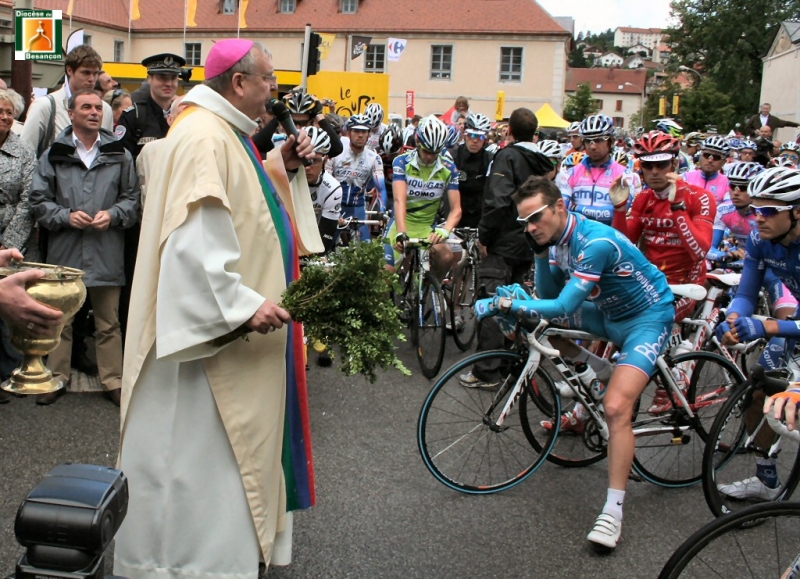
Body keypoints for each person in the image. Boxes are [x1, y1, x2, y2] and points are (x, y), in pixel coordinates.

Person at [113, 39, 319, 578]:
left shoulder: (224, 133)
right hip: (205, 349)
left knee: (221, 464)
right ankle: (185, 567)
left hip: (225, 343)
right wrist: (239, 306)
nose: (275, 89)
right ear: (239, 83)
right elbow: (193, 239)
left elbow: (249, 197)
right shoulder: (205, 136)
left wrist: (282, 167)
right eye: (269, 79)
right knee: (195, 463)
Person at [475, 175, 674, 550]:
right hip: (607, 314)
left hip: (646, 319)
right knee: (538, 323)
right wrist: (538, 253)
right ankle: (597, 369)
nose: (531, 228)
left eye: (536, 218)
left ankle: (613, 512)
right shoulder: (556, 241)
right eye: (525, 223)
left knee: (616, 409)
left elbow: (564, 306)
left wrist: (507, 304)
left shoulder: (593, 242)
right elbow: (550, 297)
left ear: (560, 206)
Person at [29, 90, 140, 407]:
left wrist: (114, 214)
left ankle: (113, 381)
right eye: (86, 107)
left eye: (98, 107)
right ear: (72, 113)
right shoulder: (54, 154)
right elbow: (38, 200)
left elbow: (132, 199)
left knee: (108, 322)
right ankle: (57, 377)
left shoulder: (119, 154)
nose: (94, 112)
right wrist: (64, 216)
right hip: (66, 251)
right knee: (60, 320)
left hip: (106, 248)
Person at [612, 131, 716, 414]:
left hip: (687, 285)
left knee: (644, 324)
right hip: (653, 283)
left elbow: (699, 251)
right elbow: (624, 245)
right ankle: (593, 405)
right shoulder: (644, 198)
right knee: (609, 326)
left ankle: (673, 378)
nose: (655, 171)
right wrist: (620, 209)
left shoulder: (701, 197)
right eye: (647, 165)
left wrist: (679, 206)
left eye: (662, 164)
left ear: (675, 164)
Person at [716, 166, 800, 500]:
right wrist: (735, 320)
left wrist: (766, 325)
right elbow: (748, 293)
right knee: (757, 395)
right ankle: (766, 482)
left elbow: (767, 322)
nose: (757, 218)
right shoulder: (758, 238)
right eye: (755, 209)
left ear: (796, 212)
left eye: (768, 211)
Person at [460, 107, 552, 388]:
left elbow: (498, 202)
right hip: (531, 241)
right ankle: (511, 365)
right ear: (534, 133)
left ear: (509, 131)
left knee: (493, 303)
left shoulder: (507, 156)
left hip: (504, 241)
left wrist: (485, 236)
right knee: (518, 304)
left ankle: (486, 371)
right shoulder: (544, 162)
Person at [386, 115, 461, 278]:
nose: (430, 157)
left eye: (435, 153)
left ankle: (432, 291)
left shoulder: (449, 168)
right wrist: (402, 232)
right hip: (401, 224)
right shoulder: (402, 162)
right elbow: (399, 200)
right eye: (427, 151)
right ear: (418, 142)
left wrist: (446, 230)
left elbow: (456, 209)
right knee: (385, 274)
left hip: (427, 227)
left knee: (446, 256)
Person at [0, 89, 39, 395]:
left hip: (13, 237)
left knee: (10, 308)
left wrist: (6, 244)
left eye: (9, 113)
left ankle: (10, 372)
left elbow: (28, 201)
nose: (4, 117)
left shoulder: (24, 151)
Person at [21, 45, 114, 156]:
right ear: (69, 70)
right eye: (86, 73)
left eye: (95, 74)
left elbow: (107, 154)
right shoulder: (45, 106)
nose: (92, 79)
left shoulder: (105, 109)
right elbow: (25, 155)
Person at [558, 114, 639, 226]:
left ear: (611, 142)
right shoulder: (571, 173)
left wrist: (576, 208)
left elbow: (621, 214)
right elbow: (562, 212)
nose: (592, 147)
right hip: (579, 237)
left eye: (598, 140)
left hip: (608, 237)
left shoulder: (624, 175)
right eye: (588, 141)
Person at [325, 113, 387, 241]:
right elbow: (325, 183)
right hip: (335, 206)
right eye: (356, 131)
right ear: (348, 132)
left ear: (369, 134)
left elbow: (381, 189)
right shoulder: (336, 152)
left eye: (364, 132)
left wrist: (382, 211)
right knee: (326, 246)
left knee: (366, 249)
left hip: (357, 207)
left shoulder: (374, 158)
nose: (360, 135)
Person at [116, 53, 184, 159]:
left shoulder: (184, 115)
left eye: (173, 78)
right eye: (162, 78)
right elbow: (123, 161)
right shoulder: (134, 116)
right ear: (149, 79)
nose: (169, 83)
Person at [451, 113, 494, 228]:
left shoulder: (490, 159)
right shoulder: (453, 156)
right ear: (465, 135)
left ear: (485, 138)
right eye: (471, 135)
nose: (475, 141)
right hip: (455, 216)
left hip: (479, 218)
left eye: (480, 137)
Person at [684, 136, 731, 204]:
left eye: (716, 157)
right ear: (700, 156)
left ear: (724, 162)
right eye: (706, 155)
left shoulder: (728, 184)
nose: (710, 160)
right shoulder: (685, 178)